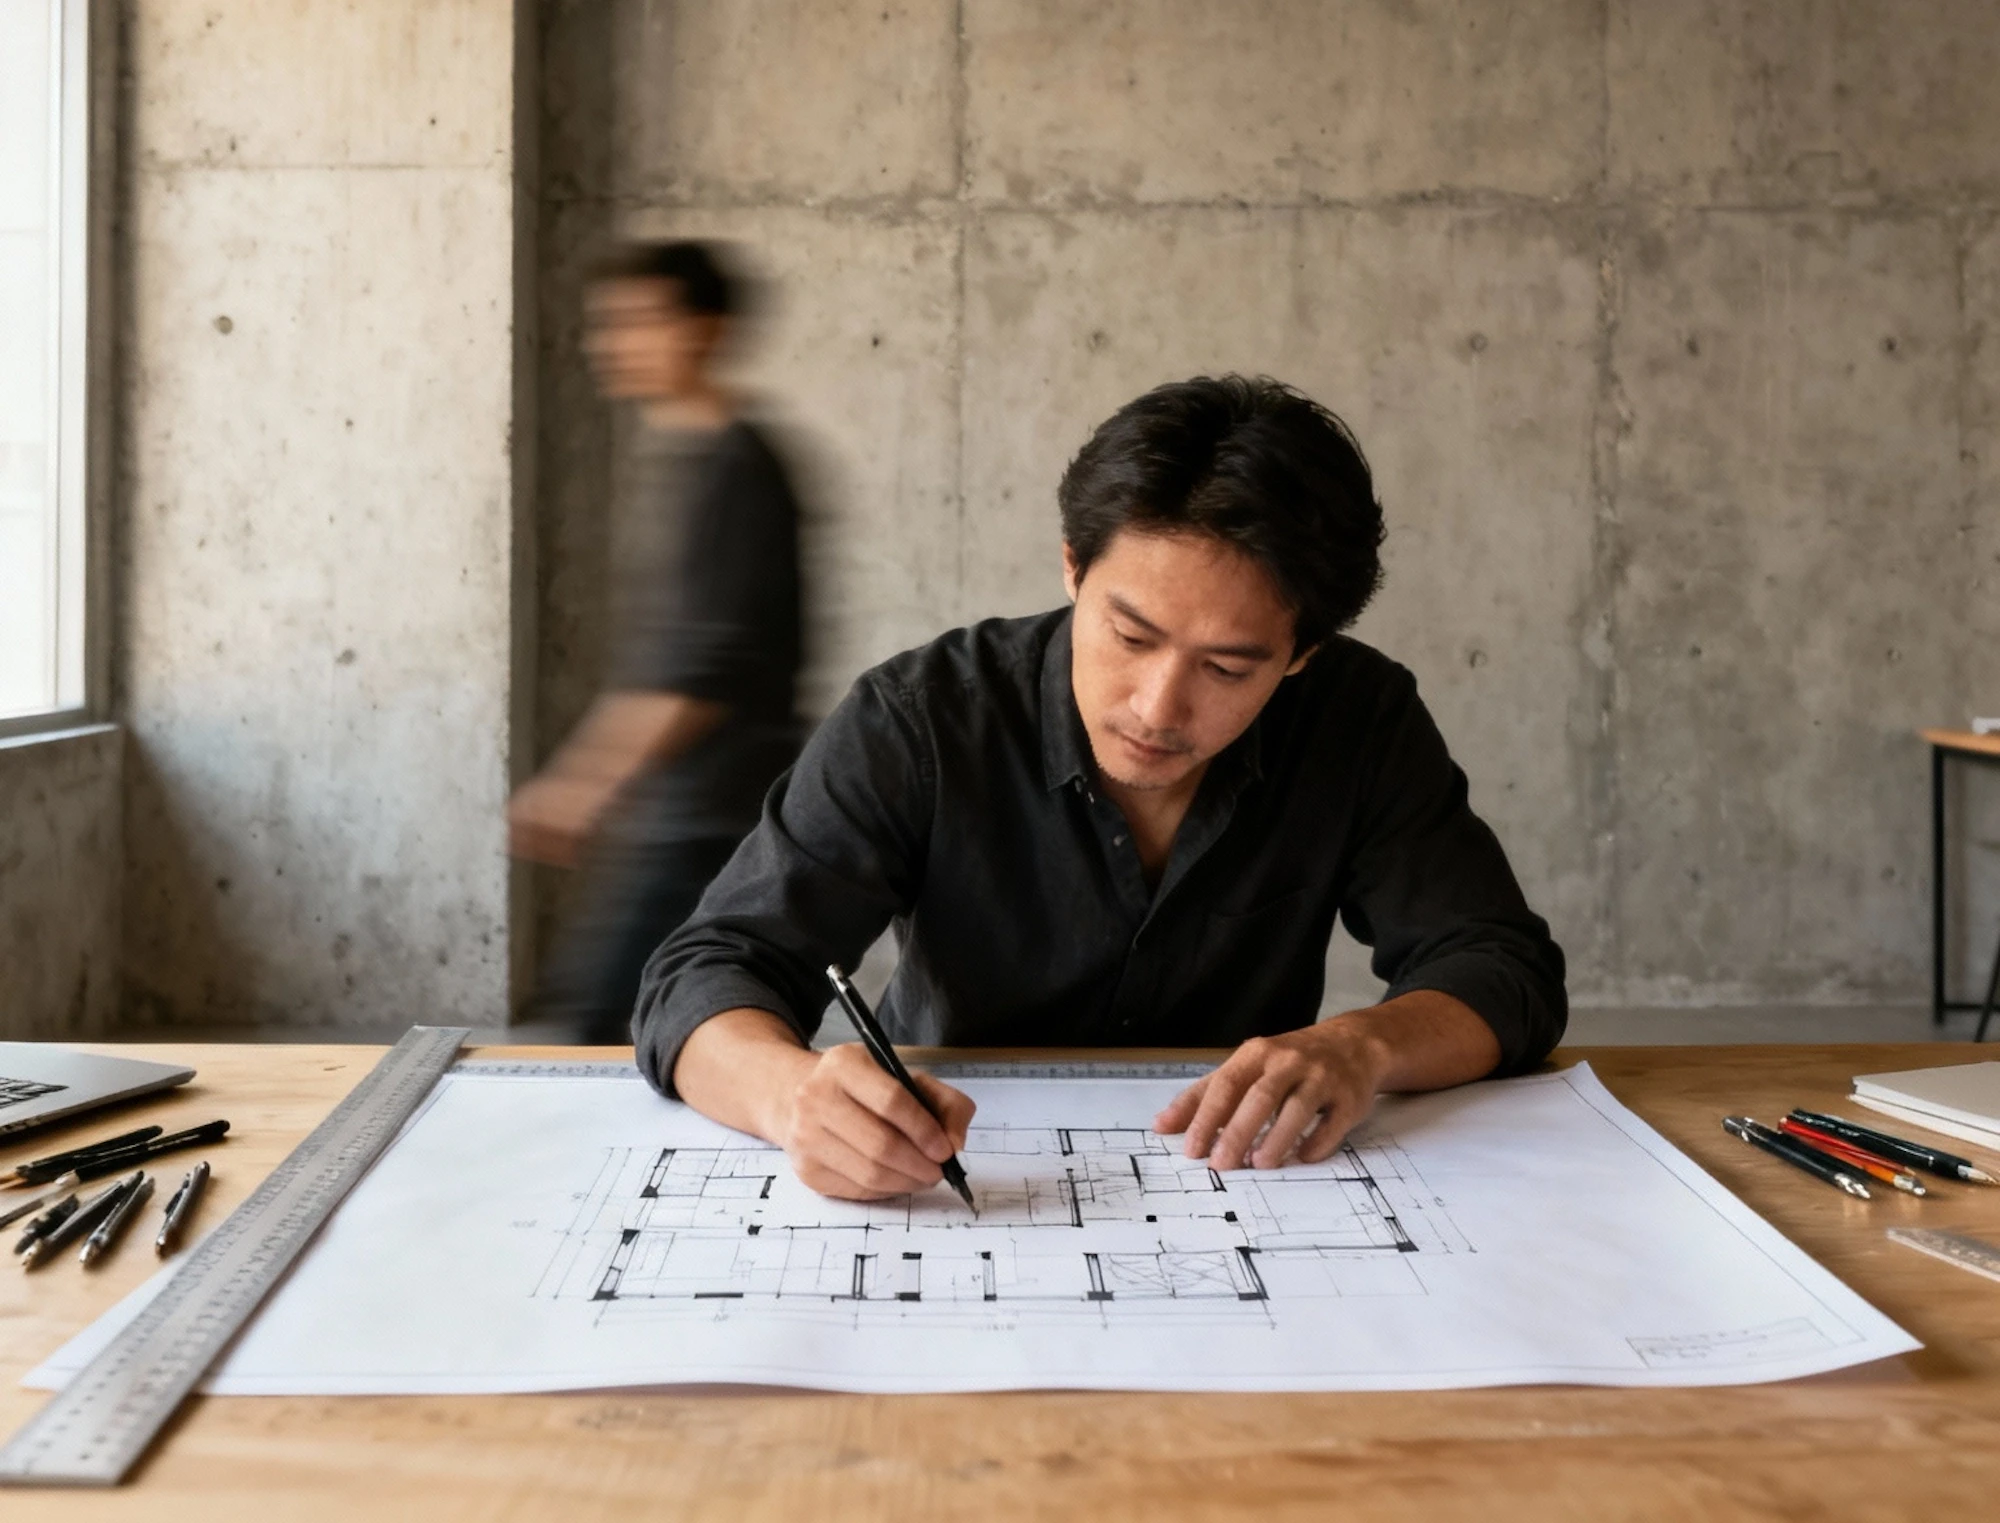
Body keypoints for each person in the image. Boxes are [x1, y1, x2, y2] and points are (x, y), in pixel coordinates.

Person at [636, 375, 1565, 1198]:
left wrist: (1364, 1045)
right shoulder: (923, 719)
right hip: (960, 1170)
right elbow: (706, 970)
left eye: (1228, 668)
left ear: (1301, 654)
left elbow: (1500, 966)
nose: (1158, 707)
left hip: (1243, 1186)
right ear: (1074, 567)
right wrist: (792, 1095)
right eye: (1130, 636)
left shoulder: (1355, 721)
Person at [510, 241, 805, 1044]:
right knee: (626, 1030)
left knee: (605, 1030)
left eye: (639, 321)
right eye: (607, 323)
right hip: (679, 814)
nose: (612, 342)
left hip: (712, 818)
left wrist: (580, 785)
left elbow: (702, 672)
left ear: (705, 329)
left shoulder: (736, 471)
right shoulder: (695, 460)